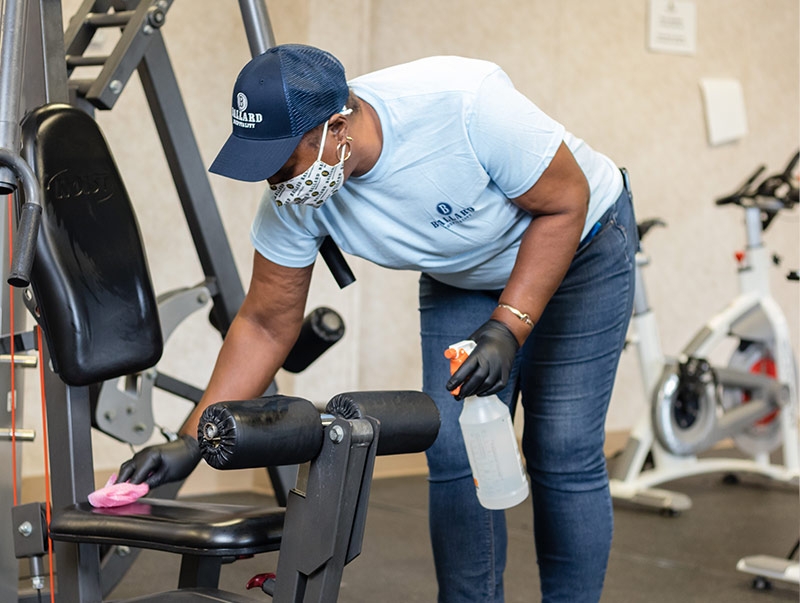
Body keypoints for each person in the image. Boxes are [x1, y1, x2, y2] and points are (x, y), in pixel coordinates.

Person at [117, 43, 638, 603]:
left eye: (281, 162)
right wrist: (193, 440)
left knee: (560, 446)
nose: (274, 183)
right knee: (453, 452)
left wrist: (508, 325)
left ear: (337, 126)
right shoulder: (297, 196)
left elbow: (565, 201)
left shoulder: (464, 102)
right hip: (462, 273)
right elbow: (266, 323)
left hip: (581, 244)